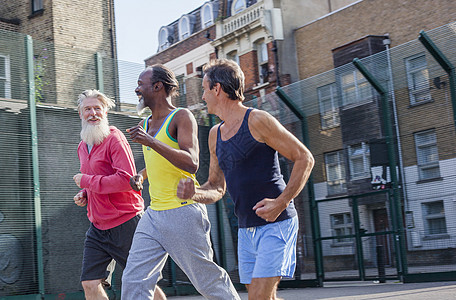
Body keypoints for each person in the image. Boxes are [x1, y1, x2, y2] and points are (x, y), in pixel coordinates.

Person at [176, 59, 315, 300]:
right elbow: (216, 187)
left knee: (258, 298)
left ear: (217, 89)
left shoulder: (258, 120)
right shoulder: (214, 135)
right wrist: (193, 193)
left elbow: (304, 158)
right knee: (263, 297)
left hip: (277, 224)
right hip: (246, 229)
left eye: (204, 89)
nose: (203, 96)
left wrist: (281, 202)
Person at [121, 65, 240, 300]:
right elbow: (159, 160)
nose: (136, 89)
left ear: (157, 87)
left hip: (182, 213)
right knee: (133, 280)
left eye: (140, 84)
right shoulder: (145, 125)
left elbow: (191, 162)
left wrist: (151, 142)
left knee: (207, 282)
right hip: (154, 214)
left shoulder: (181, 116)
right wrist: (142, 175)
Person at [72, 89, 165, 300]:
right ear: (80, 114)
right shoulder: (82, 146)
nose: (93, 113)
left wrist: (87, 181)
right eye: (88, 109)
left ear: (105, 112)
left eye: (98, 108)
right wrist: (85, 194)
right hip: (98, 226)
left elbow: (127, 180)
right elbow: (96, 180)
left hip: (126, 222)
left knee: (143, 282)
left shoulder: (115, 138)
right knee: (89, 283)